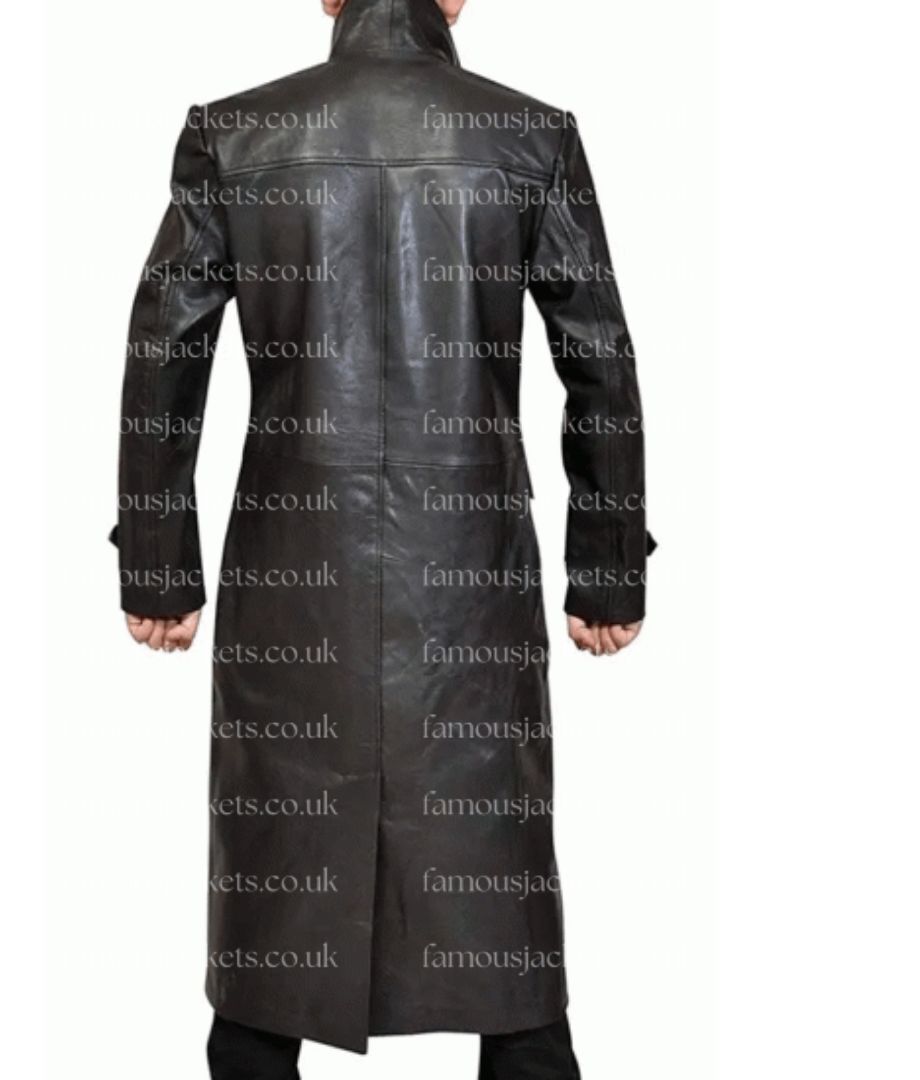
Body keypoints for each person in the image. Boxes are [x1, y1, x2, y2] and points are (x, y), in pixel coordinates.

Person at [113, 0, 654, 1075]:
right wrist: (605, 572)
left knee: (278, 878)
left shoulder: (237, 134)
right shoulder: (528, 136)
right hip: (468, 584)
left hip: (293, 579)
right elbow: (599, 359)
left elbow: (165, 349)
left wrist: (158, 564)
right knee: (494, 878)